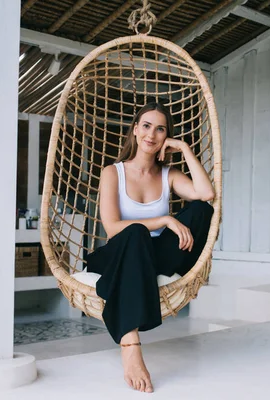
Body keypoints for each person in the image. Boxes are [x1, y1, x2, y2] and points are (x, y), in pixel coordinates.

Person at [84, 102, 215, 393]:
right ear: (135, 129)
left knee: (201, 211)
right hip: (118, 255)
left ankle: (131, 290)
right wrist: (165, 219)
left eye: (160, 129)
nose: (151, 134)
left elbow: (206, 193)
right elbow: (112, 227)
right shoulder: (112, 172)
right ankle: (130, 345)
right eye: (146, 125)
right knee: (135, 233)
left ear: (166, 137)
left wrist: (183, 149)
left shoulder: (168, 173)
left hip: (152, 259)